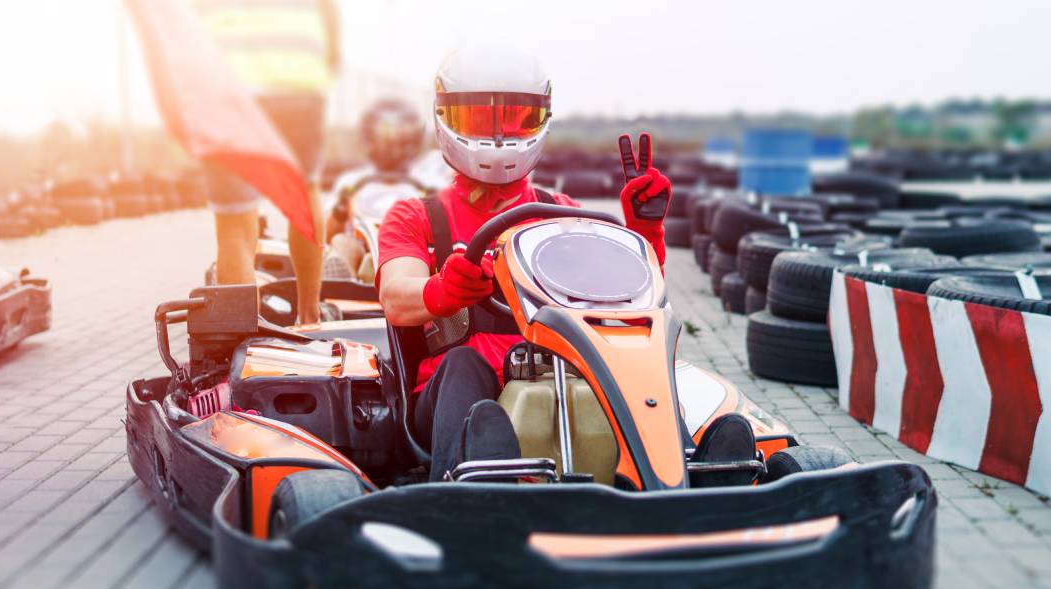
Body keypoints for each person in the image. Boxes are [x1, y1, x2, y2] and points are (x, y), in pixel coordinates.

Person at [376, 47, 688, 481]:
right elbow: (396, 297)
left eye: (515, 117)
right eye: (481, 119)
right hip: (454, 396)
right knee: (465, 368)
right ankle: (464, 490)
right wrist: (443, 291)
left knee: (631, 365)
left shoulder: (561, 212)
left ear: (539, 118)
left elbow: (626, 302)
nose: (500, 134)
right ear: (447, 116)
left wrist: (645, 232)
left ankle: (682, 467)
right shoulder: (416, 216)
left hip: (556, 378)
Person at [194, 0, 340, 324]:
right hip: (298, 74)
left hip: (229, 80)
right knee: (304, 192)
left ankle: (242, 336)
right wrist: (328, 56)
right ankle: (310, 315)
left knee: (233, 223)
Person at [326, 98, 430, 280]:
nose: (393, 149)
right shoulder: (352, 181)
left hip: (412, 254)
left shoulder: (429, 182)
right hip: (362, 251)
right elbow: (325, 234)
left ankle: (422, 286)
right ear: (369, 140)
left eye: (400, 142)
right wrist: (339, 212)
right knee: (342, 242)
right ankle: (339, 281)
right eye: (386, 141)